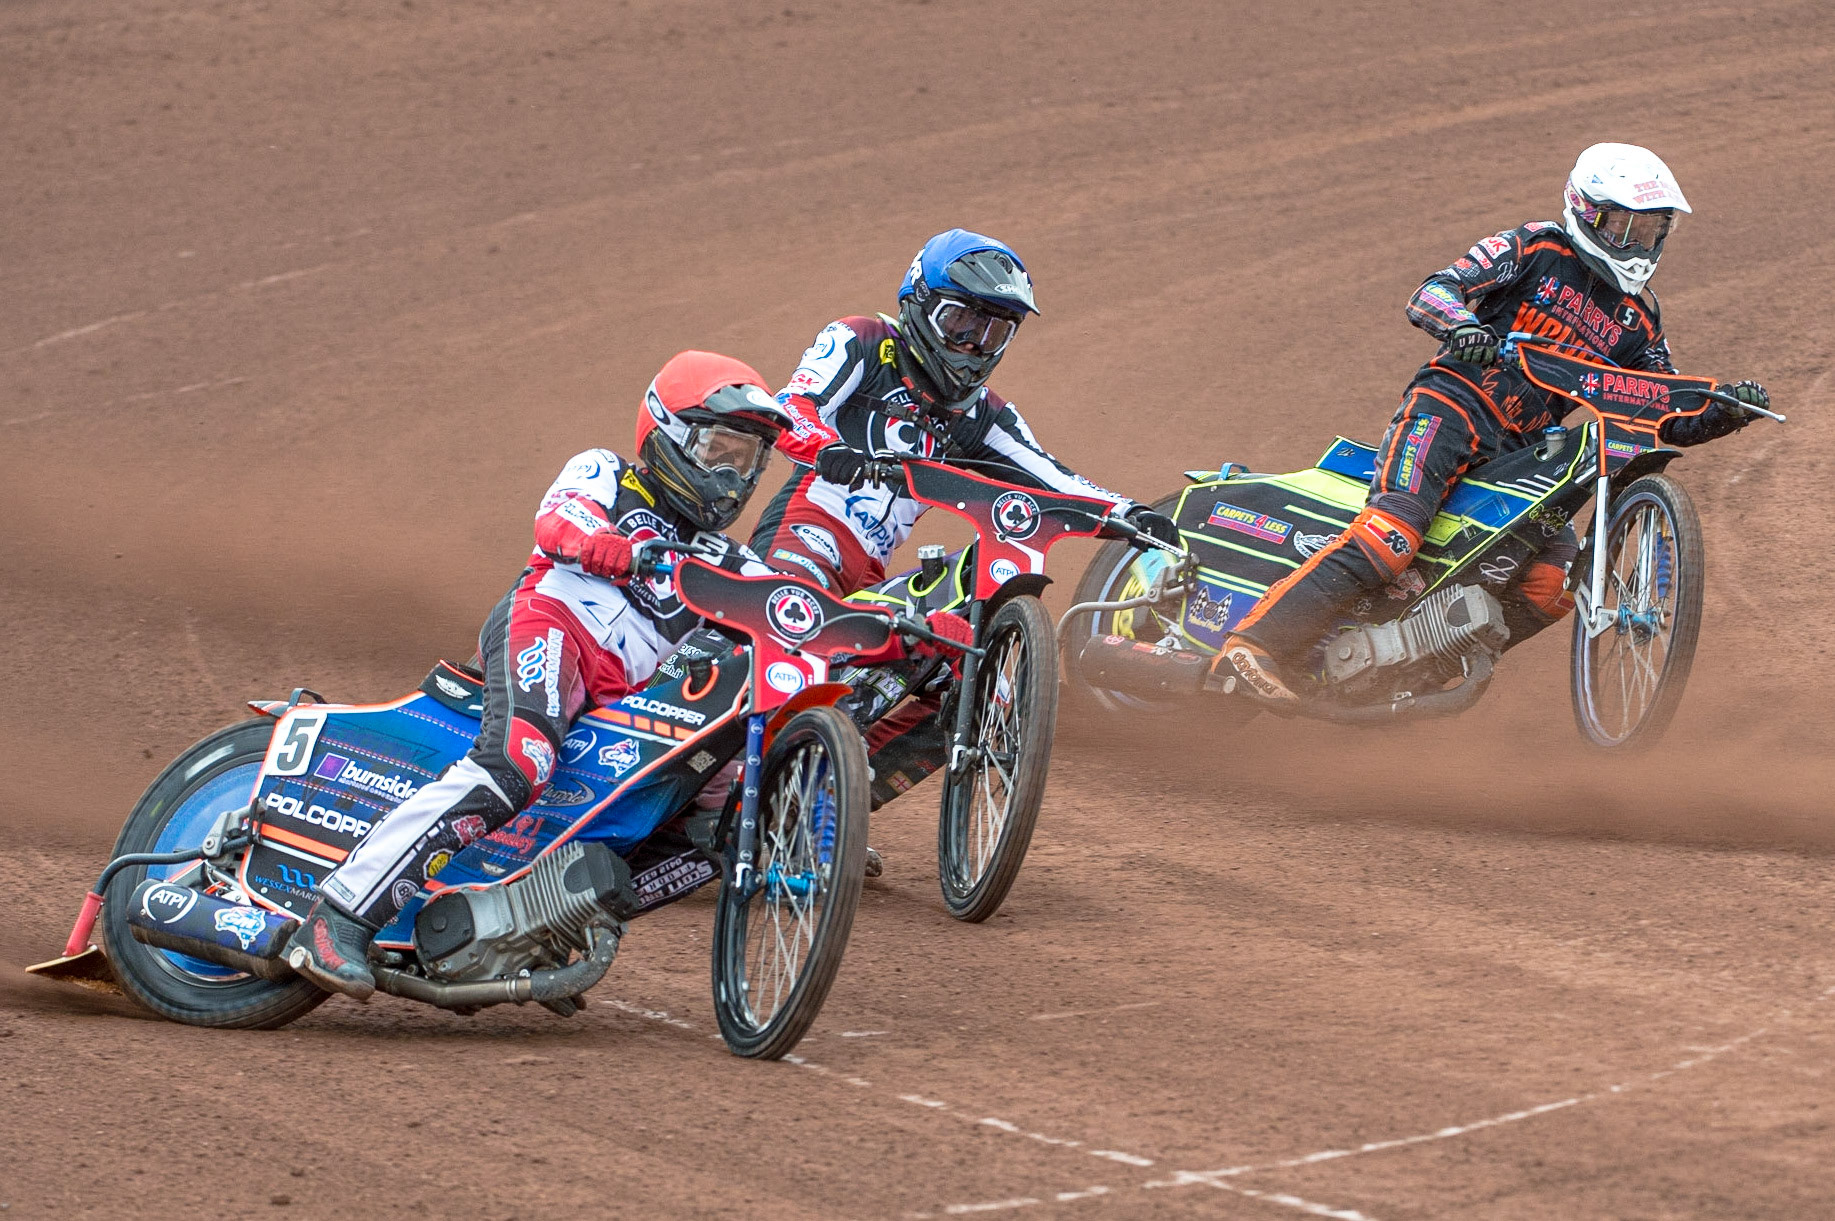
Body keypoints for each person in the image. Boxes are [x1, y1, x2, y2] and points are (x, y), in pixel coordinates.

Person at [290, 352, 816, 998]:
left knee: (713, 812)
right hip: (548, 625)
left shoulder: (728, 559)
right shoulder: (605, 472)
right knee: (519, 760)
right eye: (720, 451)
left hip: (618, 701)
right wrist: (628, 552)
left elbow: (792, 611)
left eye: (749, 461)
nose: (733, 477)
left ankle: (537, 925)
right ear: (669, 433)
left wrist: (893, 628)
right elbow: (558, 523)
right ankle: (336, 915)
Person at [1218, 143, 1772, 702]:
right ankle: (1253, 644)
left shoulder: (1640, 318)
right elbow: (1433, 291)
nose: (1637, 244)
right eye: (1625, 225)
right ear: (1586, 210)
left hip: (1530, 457)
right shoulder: (1533, 247)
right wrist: (1463, 328)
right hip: (1452, 408)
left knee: (1553, 587)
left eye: (1651, 231)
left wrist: (1723, 412)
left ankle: (1400, 675)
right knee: (1392, 536)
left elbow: (1659, 405)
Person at [749, 227, 1179, 595]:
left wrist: (1131, 514)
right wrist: (827, 449)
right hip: (805, 534)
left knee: (948, 652)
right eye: (961, 323)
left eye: (993, 332)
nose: (973, 344)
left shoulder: (983, 415)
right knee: (793, 624)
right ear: (919, 301)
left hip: (872, 574)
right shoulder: (862, 339)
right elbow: (792, 404)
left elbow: (1055, 479)